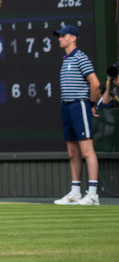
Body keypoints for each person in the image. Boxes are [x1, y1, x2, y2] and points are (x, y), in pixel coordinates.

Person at [53, 25, 101, 206]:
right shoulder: (66, 60)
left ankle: (93, 194)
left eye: (63, 35)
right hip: (66, 107)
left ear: (73, 38)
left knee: (87, 150)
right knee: (73, 153)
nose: (60, 38)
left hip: (79, 105)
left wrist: (89, 104)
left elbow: (95, 84)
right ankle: (75, 193)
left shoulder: (81, 57)